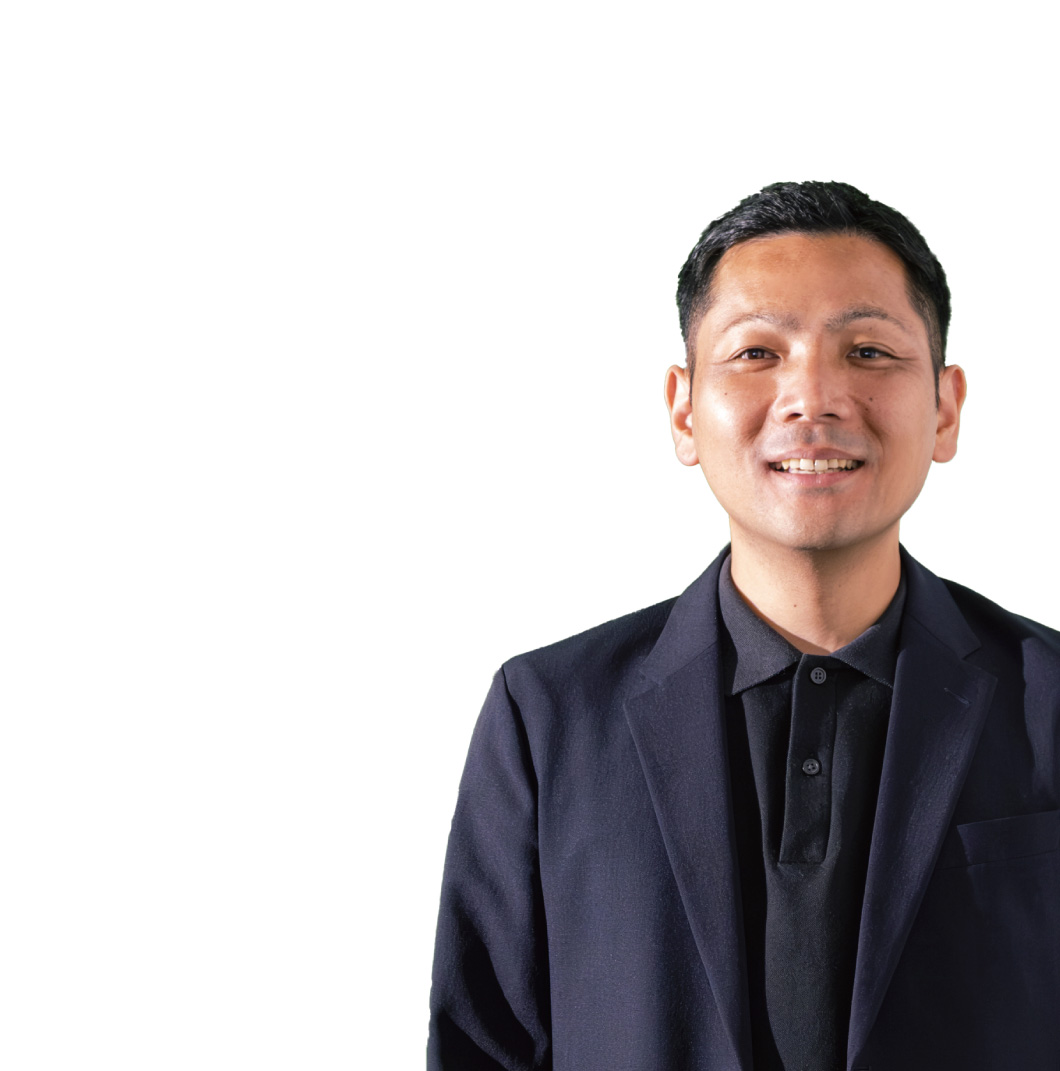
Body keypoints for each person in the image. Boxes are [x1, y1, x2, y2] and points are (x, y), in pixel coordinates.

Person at [426, 181, 1060, 1071]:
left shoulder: (1049, 700)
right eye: (758, 352)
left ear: (945, 408)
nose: (813, 397)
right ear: (684, 409)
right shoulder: (548, 718)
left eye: (868, 351)